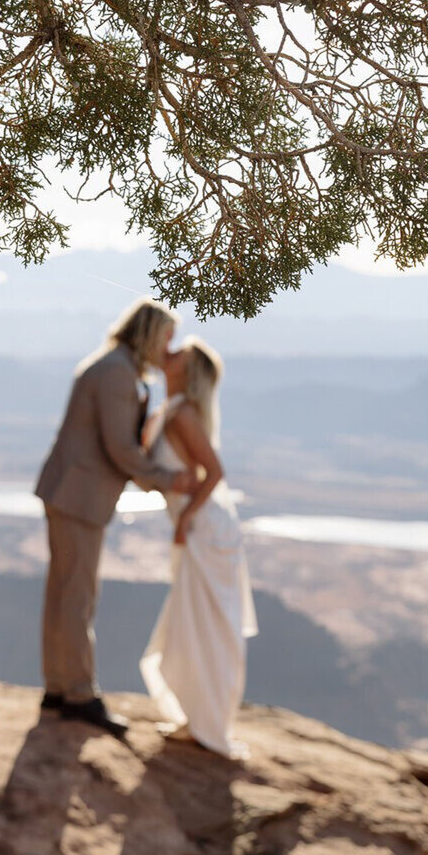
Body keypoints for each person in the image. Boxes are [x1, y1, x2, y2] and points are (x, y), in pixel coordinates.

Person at [35, 298, 198, 738]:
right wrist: (169, 480)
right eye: (167, 338)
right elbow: (120, 449)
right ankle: (78, 696)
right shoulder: (117, 374)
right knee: (77, 595)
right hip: (79, 496)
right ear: (149, 334)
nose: (169, 349)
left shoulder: (114, 367)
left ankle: (58, 688)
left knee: (65, 591)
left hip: (72, 493)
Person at [140, 336, 258, 758]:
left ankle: (205, 724)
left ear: (186, 374)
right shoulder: (170, 410)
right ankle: (198, 719)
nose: (167, 353)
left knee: (205, 629)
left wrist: (187, 519)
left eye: (178, 355)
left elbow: (215, 472)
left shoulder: (184, 414)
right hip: (202, 530)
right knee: (194, 626)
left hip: (207, 533)